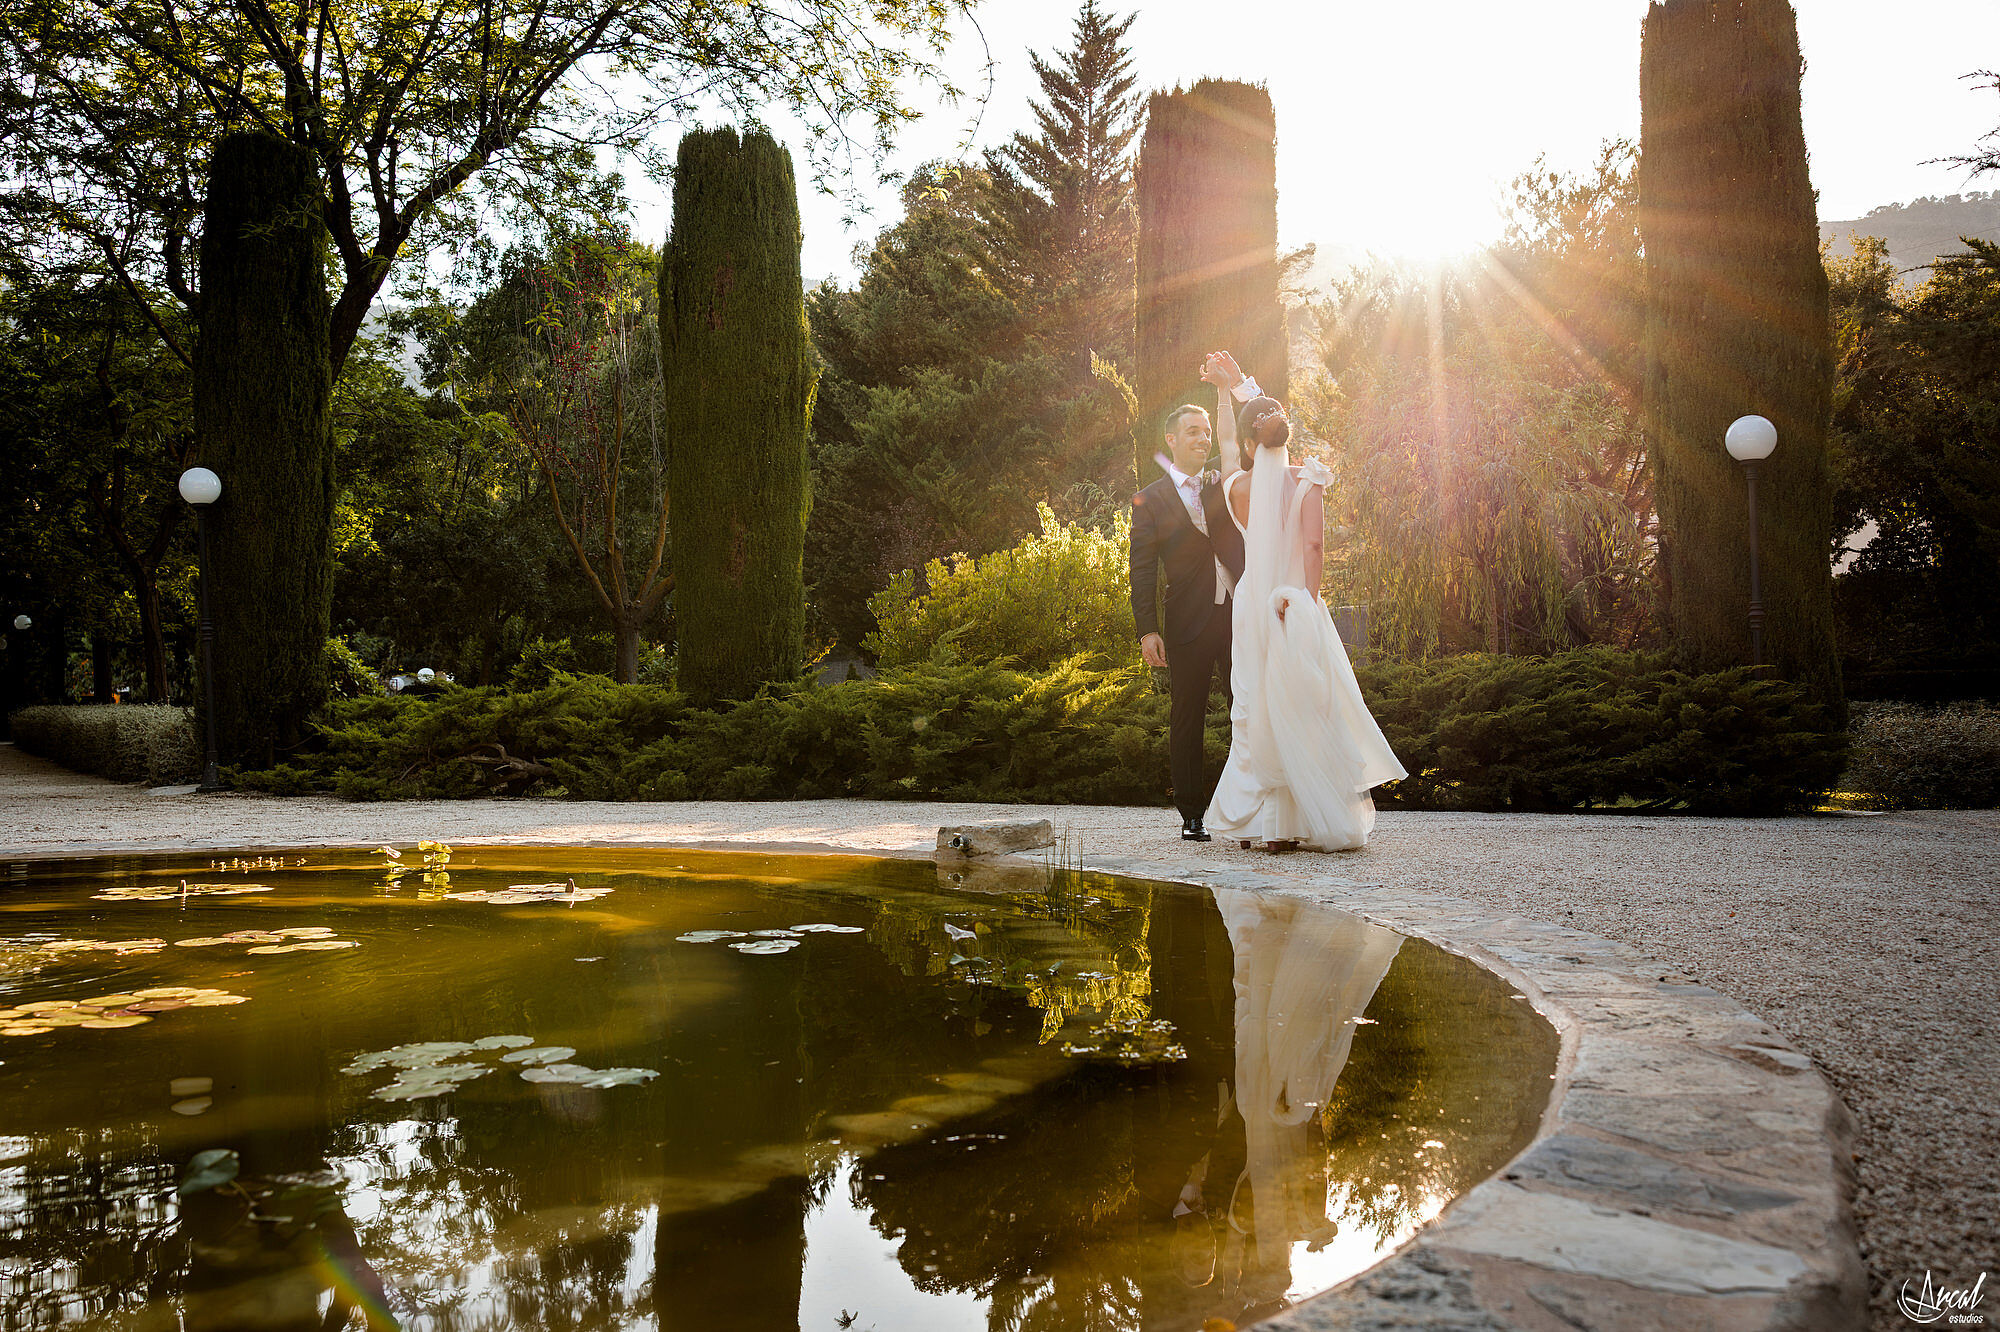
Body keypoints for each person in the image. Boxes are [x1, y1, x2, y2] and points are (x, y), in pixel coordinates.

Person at [1204, 391, 1407, 850]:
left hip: (1253, 603)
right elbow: (1315, 549)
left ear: (1250, 442)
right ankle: (1295, 822)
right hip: (1291, 603)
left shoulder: (1235, 486)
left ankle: (1260, 824)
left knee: (1256, 704)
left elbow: (1229, 442)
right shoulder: (1307, 480)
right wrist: (1306, 602)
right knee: (1303, 703)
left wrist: (1225, 390)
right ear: (1285, 435)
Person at [1129, 353, 1266, 841]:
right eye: (1192, 432)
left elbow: (1246, 436)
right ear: (1171, 439)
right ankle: (1192, 815)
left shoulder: (1220, 478)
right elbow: (1141, 569)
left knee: (1245, 710)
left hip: (1237, 612)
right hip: (1185, 622)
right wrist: (1147, 630)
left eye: (1205, 432)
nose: (1202, 438)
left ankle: (1249, 809)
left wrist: (1227, 390)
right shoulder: (1150, 498)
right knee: (1186, 718)